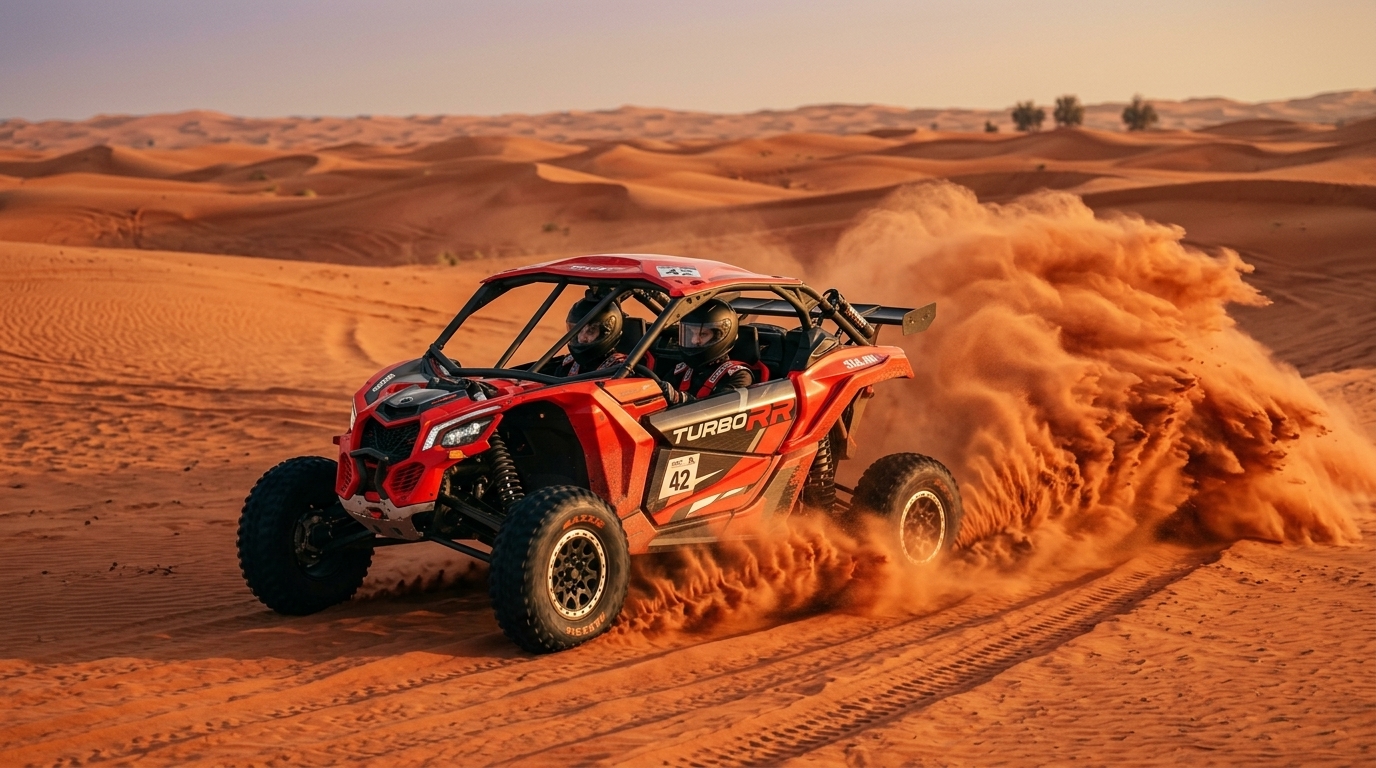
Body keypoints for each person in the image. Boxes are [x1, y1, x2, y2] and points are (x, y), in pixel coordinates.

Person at [661, 298, 753, 404]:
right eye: (692, 333)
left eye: (702, 334)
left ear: (719, 336)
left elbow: (721, 412)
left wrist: (681, 399)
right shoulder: (681, 370)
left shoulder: (739, 376)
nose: (694, 340)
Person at [548, 296, 625, 376]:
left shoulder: (620, 371)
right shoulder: (566, 367)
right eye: (578, 330)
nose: (581, 338)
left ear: (605, 333)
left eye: (590, 331)